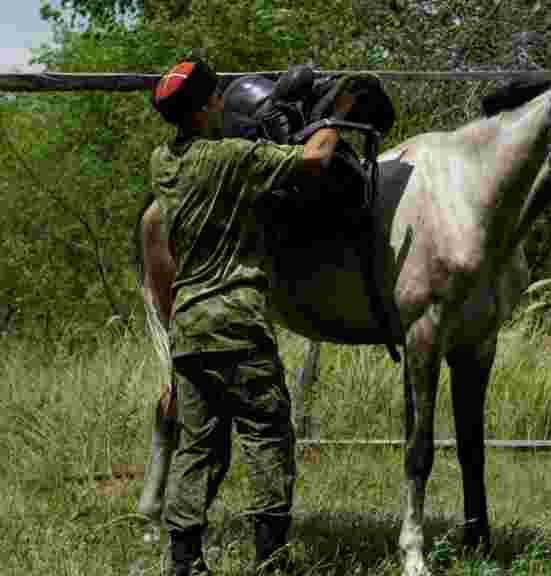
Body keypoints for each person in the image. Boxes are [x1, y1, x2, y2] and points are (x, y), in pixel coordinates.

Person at [140, 57, 356, 575]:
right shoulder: (231, 158)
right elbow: (315, 157)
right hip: (236, 324)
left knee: (198, 446)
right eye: (217, 96)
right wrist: (333, 110)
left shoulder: (161, 163)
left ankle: (185, 562)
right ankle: (270, 560)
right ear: (209, 105)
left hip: (189, 328)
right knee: (267, 436)